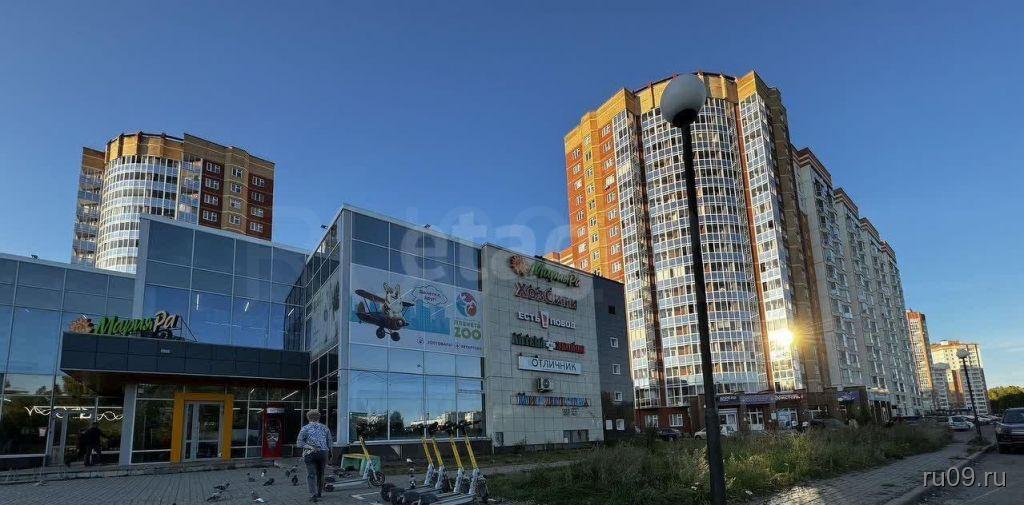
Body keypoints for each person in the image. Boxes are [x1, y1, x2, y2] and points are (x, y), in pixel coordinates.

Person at [296, 410, 332, 502]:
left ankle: (313, 494)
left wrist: (310, 447)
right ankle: (319, 492)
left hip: (310, 454)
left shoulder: (305, 428)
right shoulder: (325, 428)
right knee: (321, 473)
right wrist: (330, 453)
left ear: (308, 418)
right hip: (323, 453)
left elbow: (299, 443)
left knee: (311, 474)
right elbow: (329, 442)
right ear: (319, 418)